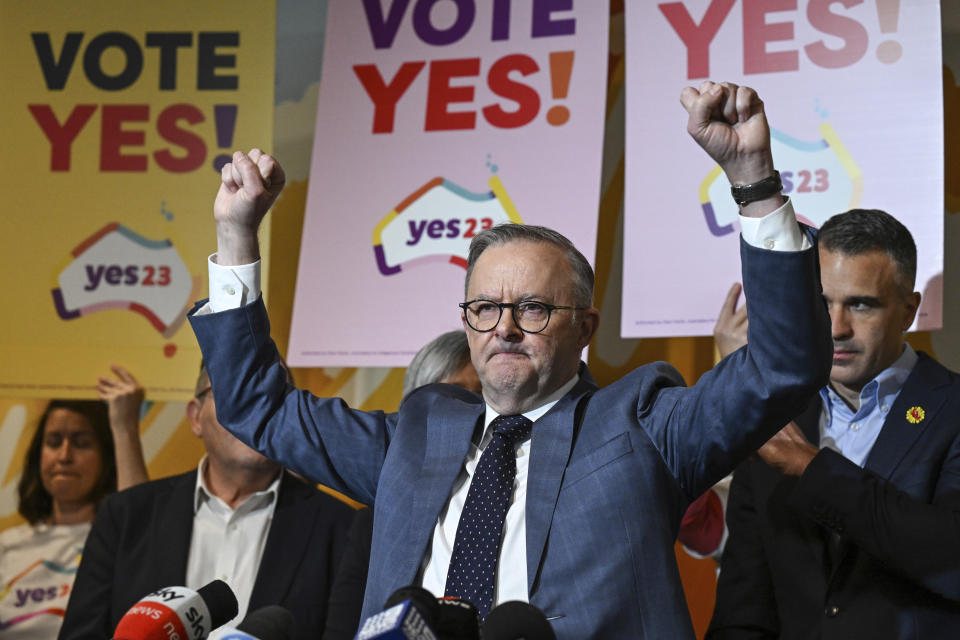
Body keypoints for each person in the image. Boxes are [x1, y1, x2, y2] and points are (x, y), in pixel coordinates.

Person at [187, 81, 831, 638]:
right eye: (484, 309)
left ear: (586, 327)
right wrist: (236, 235)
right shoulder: (414, 437)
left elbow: (782, 367)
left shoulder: (643, 426)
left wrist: (754, 183)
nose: (506, 329)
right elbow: (254, 405)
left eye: (533, 308)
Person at [707, 210, 960, 639]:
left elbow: (951, 559)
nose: (837, 328)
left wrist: (812, 468)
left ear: (909, 311)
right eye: (823, 303)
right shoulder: (775, 419)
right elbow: (744, 607)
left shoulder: (951, 409)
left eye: (861, 305)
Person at [58, 364, 356, 640]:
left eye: (273, 396)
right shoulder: (125, 515)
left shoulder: (340, 528)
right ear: (195, 417)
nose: (256, 408)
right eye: (234, 392)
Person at [323, 329, 482, 640]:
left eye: (482, 395)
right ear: (412, 417)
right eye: (456, 396)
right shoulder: (374, 524)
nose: (473, 411)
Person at [0, 365, 147, 640]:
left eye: (81, 443)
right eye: (54, 442)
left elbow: (140, 541)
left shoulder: (115, 541)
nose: (64, 456)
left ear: (107, 456)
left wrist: (125, 426)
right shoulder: (7, 546)